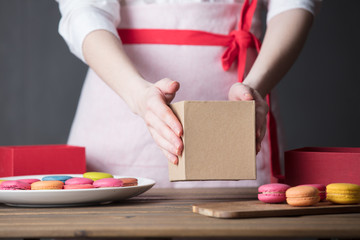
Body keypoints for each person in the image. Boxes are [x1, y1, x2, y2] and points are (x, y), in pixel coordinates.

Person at [56, 0, 319, 188]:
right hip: (122, 96)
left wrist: (256, 87)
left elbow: (293, 4)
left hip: (240, 113)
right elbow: (83, 9)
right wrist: (137, 95)